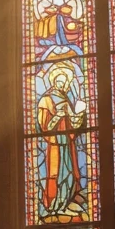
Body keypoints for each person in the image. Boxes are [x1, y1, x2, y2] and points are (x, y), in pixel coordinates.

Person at [36, 66, 86, 219]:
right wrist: (58, 115)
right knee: (56, 174)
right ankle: (54, 206)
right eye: (59, 81)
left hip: (67, 142)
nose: (62, 85)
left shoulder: (65, 99)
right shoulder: (46, 100)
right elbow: (45, 127)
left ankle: (65, 203)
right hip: (55, 143)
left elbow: (73, 123)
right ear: (53, 81)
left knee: (70, 173)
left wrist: (79, 114)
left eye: (64, 83)